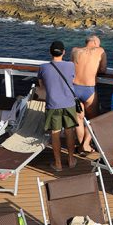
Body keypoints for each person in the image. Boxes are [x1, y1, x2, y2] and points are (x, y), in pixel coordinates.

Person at [37, 41, 77, 172]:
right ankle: (71, 160)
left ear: (50, 52)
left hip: (53, 104)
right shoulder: (71, 65)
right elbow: (73, 80)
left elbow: (42, 87)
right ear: (64, 52)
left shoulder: (43, 68)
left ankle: (58, 163)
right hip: (69, 103)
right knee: (70, 131)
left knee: (55, 133)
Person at [71, 34, 106, 154]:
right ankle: (86, 144)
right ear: (95, 42)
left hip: (74, 87)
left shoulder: (75, 50)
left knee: (79, 119)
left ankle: (81, 147)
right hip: (89, 88)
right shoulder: (100, 50)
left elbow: (72, 68)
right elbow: (103, 69)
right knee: (93, 119)